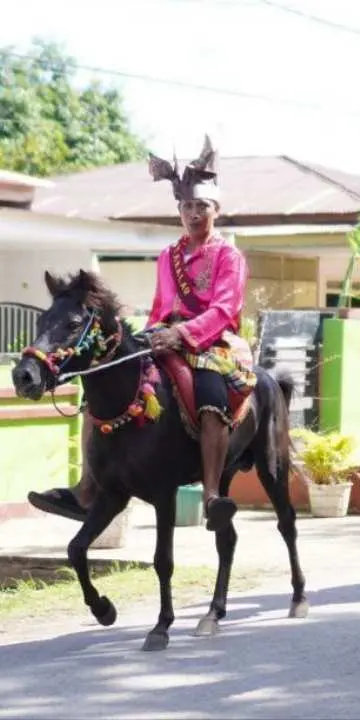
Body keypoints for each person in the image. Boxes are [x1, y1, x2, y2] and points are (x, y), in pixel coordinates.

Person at [26, 135, 253, 533]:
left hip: (211, 342)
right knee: (103, 386)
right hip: (163, 336)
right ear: (179, 211)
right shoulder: (168, 256)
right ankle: (86, 489)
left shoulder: (228, 256)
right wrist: (152, 334)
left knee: (211, 396)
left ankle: (213, 494)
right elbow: (161, 302)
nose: (193, 213)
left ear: (216, 210)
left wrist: (182, 333)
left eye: (202, 206)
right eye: (186, 206)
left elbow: (224, 309)